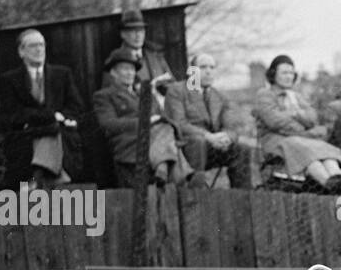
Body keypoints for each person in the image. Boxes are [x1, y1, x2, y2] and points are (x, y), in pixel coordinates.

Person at [253, 54, 341, 193]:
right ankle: (327, 182)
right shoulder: (265, 94)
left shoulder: (296, 96)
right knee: (301, 147)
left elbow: (312, 118)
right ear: (273, 74)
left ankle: (337, 176)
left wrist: (295, 114)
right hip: (274, 140)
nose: (289, 76)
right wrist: (302, 126)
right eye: (284, 72)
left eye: (291, 73)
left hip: (299, 139)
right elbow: (275, 121)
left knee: (321, 147)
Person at [0, 28, 84, 188]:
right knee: (49, 129)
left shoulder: (62, 74)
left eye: (42, 45)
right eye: (33, 45)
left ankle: (38, 178)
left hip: (61, 138)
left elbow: (76, 107)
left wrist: (63, 118)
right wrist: (50, 116)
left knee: (52, 130)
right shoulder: (9, 79)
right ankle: (50, 176)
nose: (39, 49)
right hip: (26, 139)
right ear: (21, 51)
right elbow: (10, 115)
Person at [91, 47, 192, 187]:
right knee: (167, 134)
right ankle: (182, 177)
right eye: (124, 69)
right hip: (129, 143)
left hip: (154, 140)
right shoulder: (104, 96)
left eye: (132, 69)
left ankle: (163, 168)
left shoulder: (142, 94)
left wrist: (154, 97)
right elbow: (108, 124)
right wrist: (144, 122)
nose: (130, 73)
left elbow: (159, 115)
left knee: (164, 126)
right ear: (113, 72)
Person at [164, 52, 251, 189]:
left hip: (212, 148)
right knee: (198, 142)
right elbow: (179, 123)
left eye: (212, 67)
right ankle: (196, 191)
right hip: (185, 146)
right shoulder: (177, 91)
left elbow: (232, 127)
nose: (208, 71)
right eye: (203, 67)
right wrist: (208, 136)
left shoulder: (219, 96)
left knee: (242, 149)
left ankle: (244, 197)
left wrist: (226, 137)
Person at [116, 10, 174, 92]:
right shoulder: (115, 61)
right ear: (123, 34)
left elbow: (173, 85)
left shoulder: (156, 56)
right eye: (133, 30)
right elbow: (112, 96)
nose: (138, 35)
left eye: (141, 30)